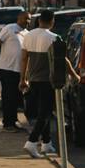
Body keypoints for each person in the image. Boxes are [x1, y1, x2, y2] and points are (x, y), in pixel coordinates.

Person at [0, 10, 30, 129]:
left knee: (15, 99)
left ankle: (13, 121)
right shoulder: (9, 28)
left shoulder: (27, 34)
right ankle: (7, 124)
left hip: (20, 72)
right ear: (19, 18)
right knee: (8, 98)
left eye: (29, 19)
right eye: (26, 18)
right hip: (7, 70)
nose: (28, 21)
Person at [19, 10, 58, 158]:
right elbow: (62, 60)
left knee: (43, 111)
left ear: (39, 20)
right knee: (46, 113)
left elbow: (24, 59)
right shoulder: (54, 38)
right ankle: (31, 142)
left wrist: (23, 79)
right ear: (52, 21)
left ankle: (47, 144)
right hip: (47, 80)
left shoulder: (28, 35)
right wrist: (75, 74)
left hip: (33, 80)